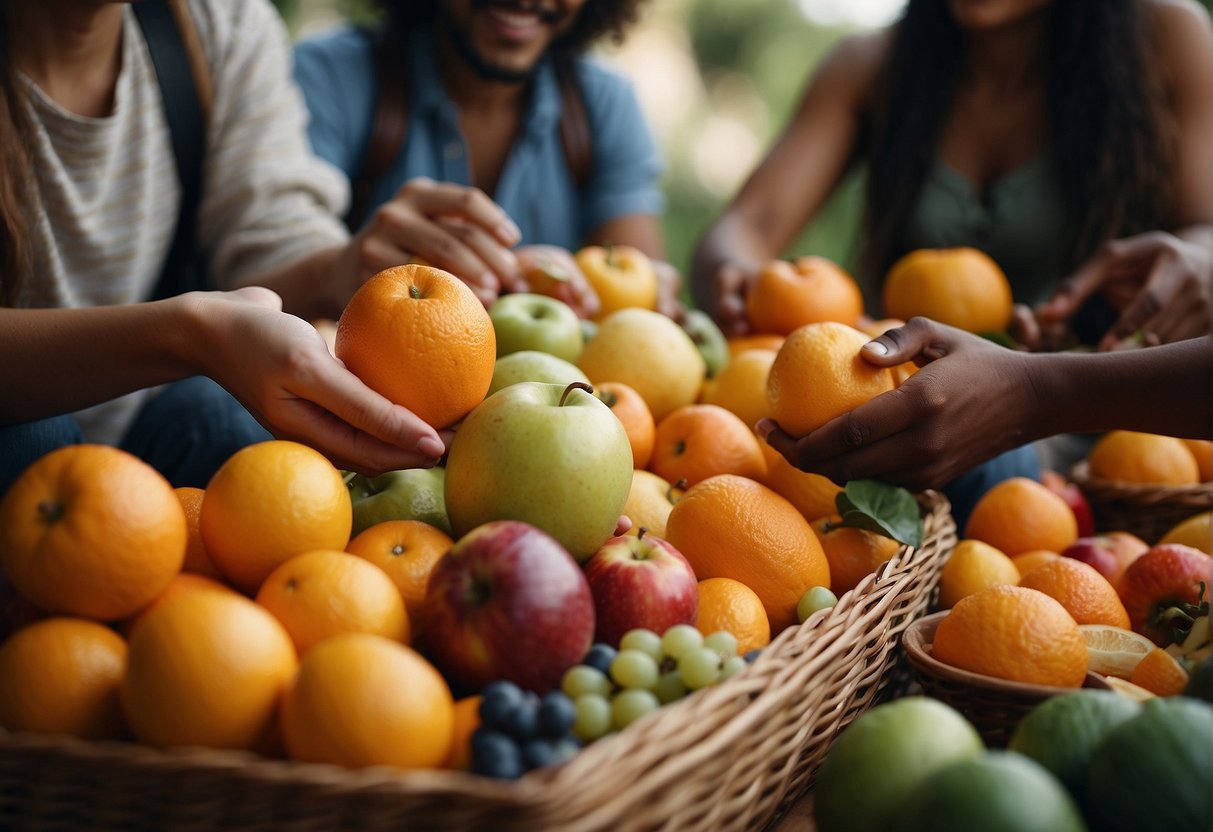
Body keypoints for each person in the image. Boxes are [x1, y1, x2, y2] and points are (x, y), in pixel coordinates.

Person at [691, 0, 1213, 523]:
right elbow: (744, 227)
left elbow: (1206, 231)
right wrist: (739, 276)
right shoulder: (871, 66)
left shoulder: (1168, 35)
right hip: (902, 409)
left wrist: (1197, 256)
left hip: (1105, 436)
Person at [0, 0, 449, 497]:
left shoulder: (218, 21)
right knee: (31, 439)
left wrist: (342, 269)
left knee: (231, 420)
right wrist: (186, 336)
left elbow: (264, 228)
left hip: (144, 438)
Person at [292, 0, 678, 316]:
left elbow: (638, 300)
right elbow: (253, 277)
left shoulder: (604, 104)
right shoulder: (327, 78)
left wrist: (651, 290)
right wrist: (338, 272)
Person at [757, 317, 1213, 490]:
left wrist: (1035, 392)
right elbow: (750, 222)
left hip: (1073, 461)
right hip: (936, 405)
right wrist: (735, 277)